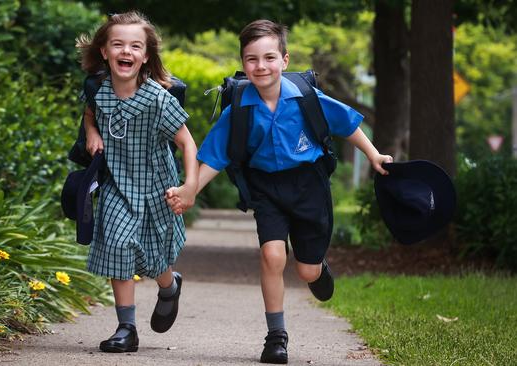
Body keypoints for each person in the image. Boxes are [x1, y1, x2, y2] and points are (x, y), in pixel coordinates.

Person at [166, 20, 392, 364]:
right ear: (243, 64)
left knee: (306, 272)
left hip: (309, 186)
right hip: (266, 188)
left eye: (269, 57)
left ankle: (317, 267)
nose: (261, 66)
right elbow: (214, 156)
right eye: (252, 59)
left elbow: (347, 125)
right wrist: (190, 189)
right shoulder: (238, 109)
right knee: (272, 256)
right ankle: (276, 336)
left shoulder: (305, 97)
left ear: (284, 60)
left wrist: (374, 155)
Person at [75, 11, 198, 353]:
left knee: (153, 259)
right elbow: (89, 112)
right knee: (117, 246)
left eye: (135, 46)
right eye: (117, 44)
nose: (125, 51)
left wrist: (189, 187)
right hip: (116, 183)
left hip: (156, 188)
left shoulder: (159, 99)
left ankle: (169, 285)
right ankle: (126, 327)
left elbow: (187, 144)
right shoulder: (98, 88)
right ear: (104, 51)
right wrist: (92, 131)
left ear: (146, 55)